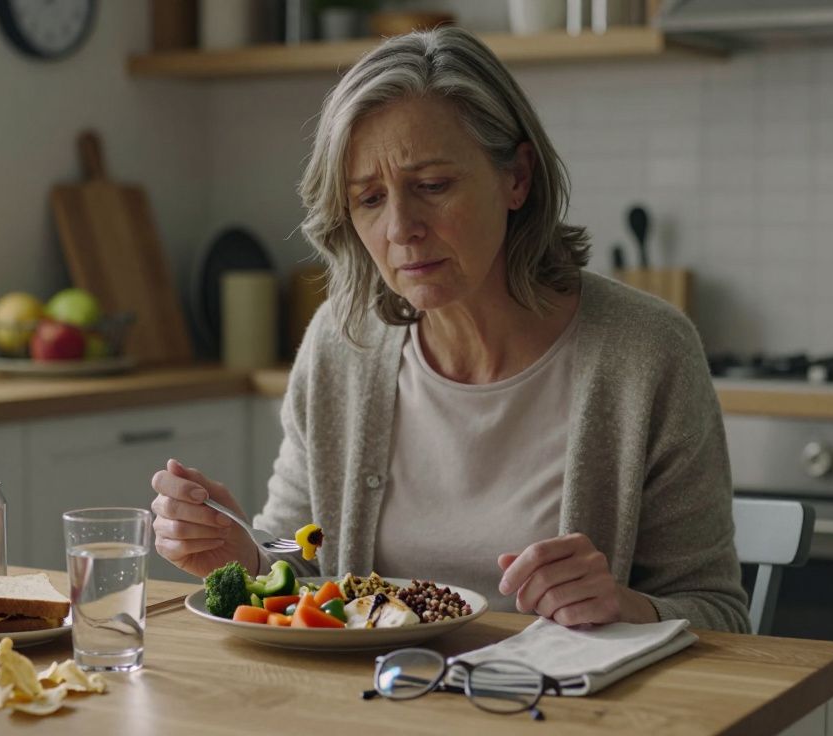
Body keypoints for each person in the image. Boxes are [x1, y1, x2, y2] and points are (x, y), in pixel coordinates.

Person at [150, 27, 749, 632]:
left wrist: (625, 605)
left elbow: (720, 616)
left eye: (432, 186)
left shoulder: (649, 352)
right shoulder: (341, 343)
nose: (402, 228)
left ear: (517, 177)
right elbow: (297, 558)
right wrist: (244, 555)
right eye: (369, 198)